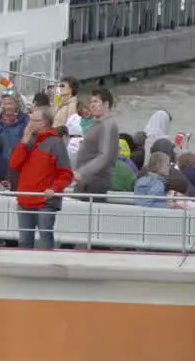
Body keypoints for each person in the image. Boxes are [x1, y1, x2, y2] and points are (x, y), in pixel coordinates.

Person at [10, 105, 73, 249]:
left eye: (34, 120)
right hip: (25, 199)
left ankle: (47, 267)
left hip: (45, 201)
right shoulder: (28, 142)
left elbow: (66, 173)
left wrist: (54, 188)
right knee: (24, 242)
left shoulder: (56, 143)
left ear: (44, 122)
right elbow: (14, 165)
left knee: (45, 239)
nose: (29, 123)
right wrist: (24, 142)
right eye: (30, 120)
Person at [74, 88, 119, 196]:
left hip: (95, 182)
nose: (92, 105)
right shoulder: (97, 124)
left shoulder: (108, 124)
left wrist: (82, 172)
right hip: (87, 181)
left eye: (96, 102)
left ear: (106, 104)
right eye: (91, 102)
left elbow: (105, 155)